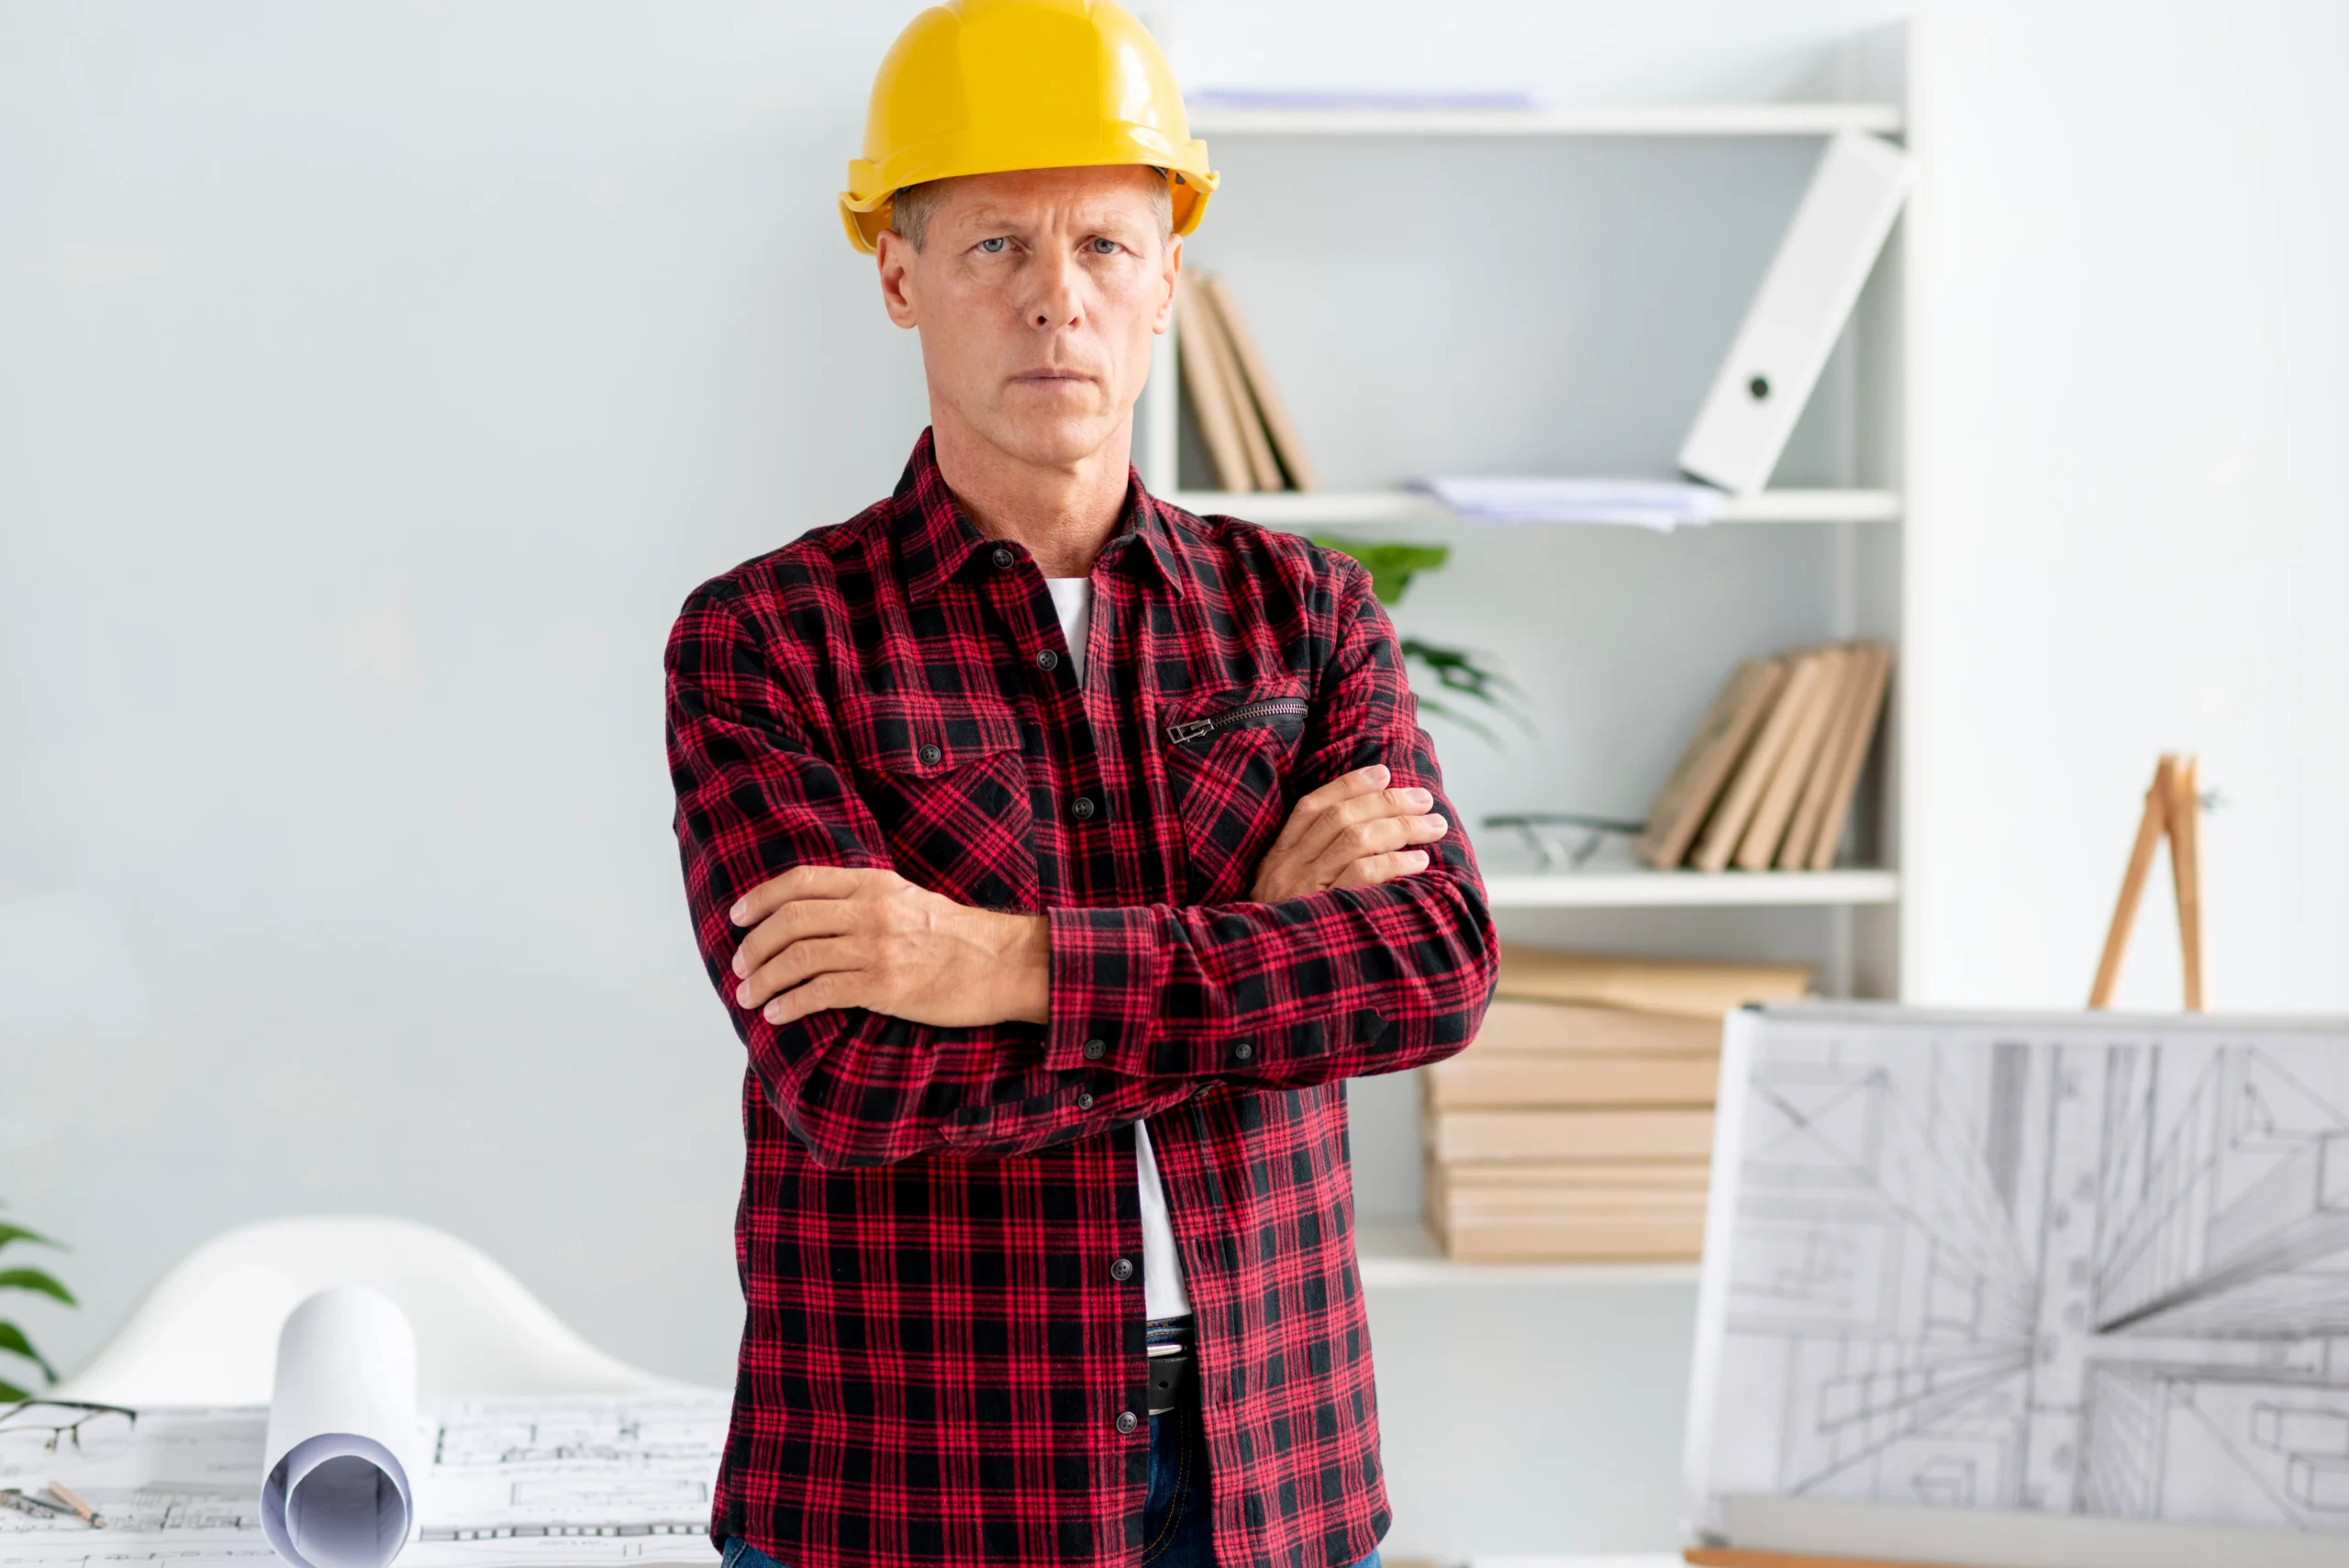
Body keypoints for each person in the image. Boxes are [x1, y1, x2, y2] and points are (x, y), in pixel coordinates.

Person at [662, 4, 1498, 1565]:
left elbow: (1432, 973)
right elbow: (853, 1079)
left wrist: (998, 961)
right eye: (994, 246)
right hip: (903, 1490)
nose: (1057, 299)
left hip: (1275, 1468)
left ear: (1168, 272)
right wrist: (1255, 942)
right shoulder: (765, 641)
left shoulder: (1309, 615)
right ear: (900, 272)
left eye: (1107, 245)